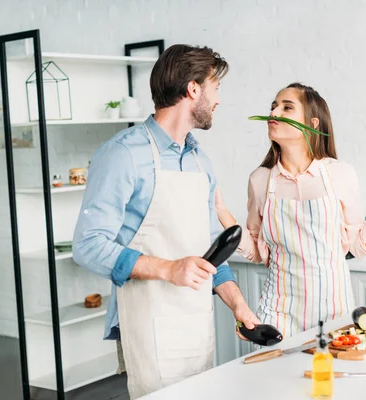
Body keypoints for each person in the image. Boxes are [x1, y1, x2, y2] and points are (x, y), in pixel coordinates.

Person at [72, 44, 259, 399]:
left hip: (195, 324)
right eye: (215, 88)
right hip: (149, 324)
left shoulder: (201, 161)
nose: (218, 99)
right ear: (193, 89)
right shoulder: (123, 154)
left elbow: (209, 254)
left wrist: (238, 305)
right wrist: (168, 269)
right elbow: (87, 245)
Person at [215, 82, 366, 340]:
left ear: (312, 123)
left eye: (287, 107)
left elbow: (358, 248)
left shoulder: (339, 174)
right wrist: (220, 209)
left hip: (334, 313)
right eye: (273, 107)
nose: (274, 113)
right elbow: (255, 252)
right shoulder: (260, 180)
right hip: (279, 312)